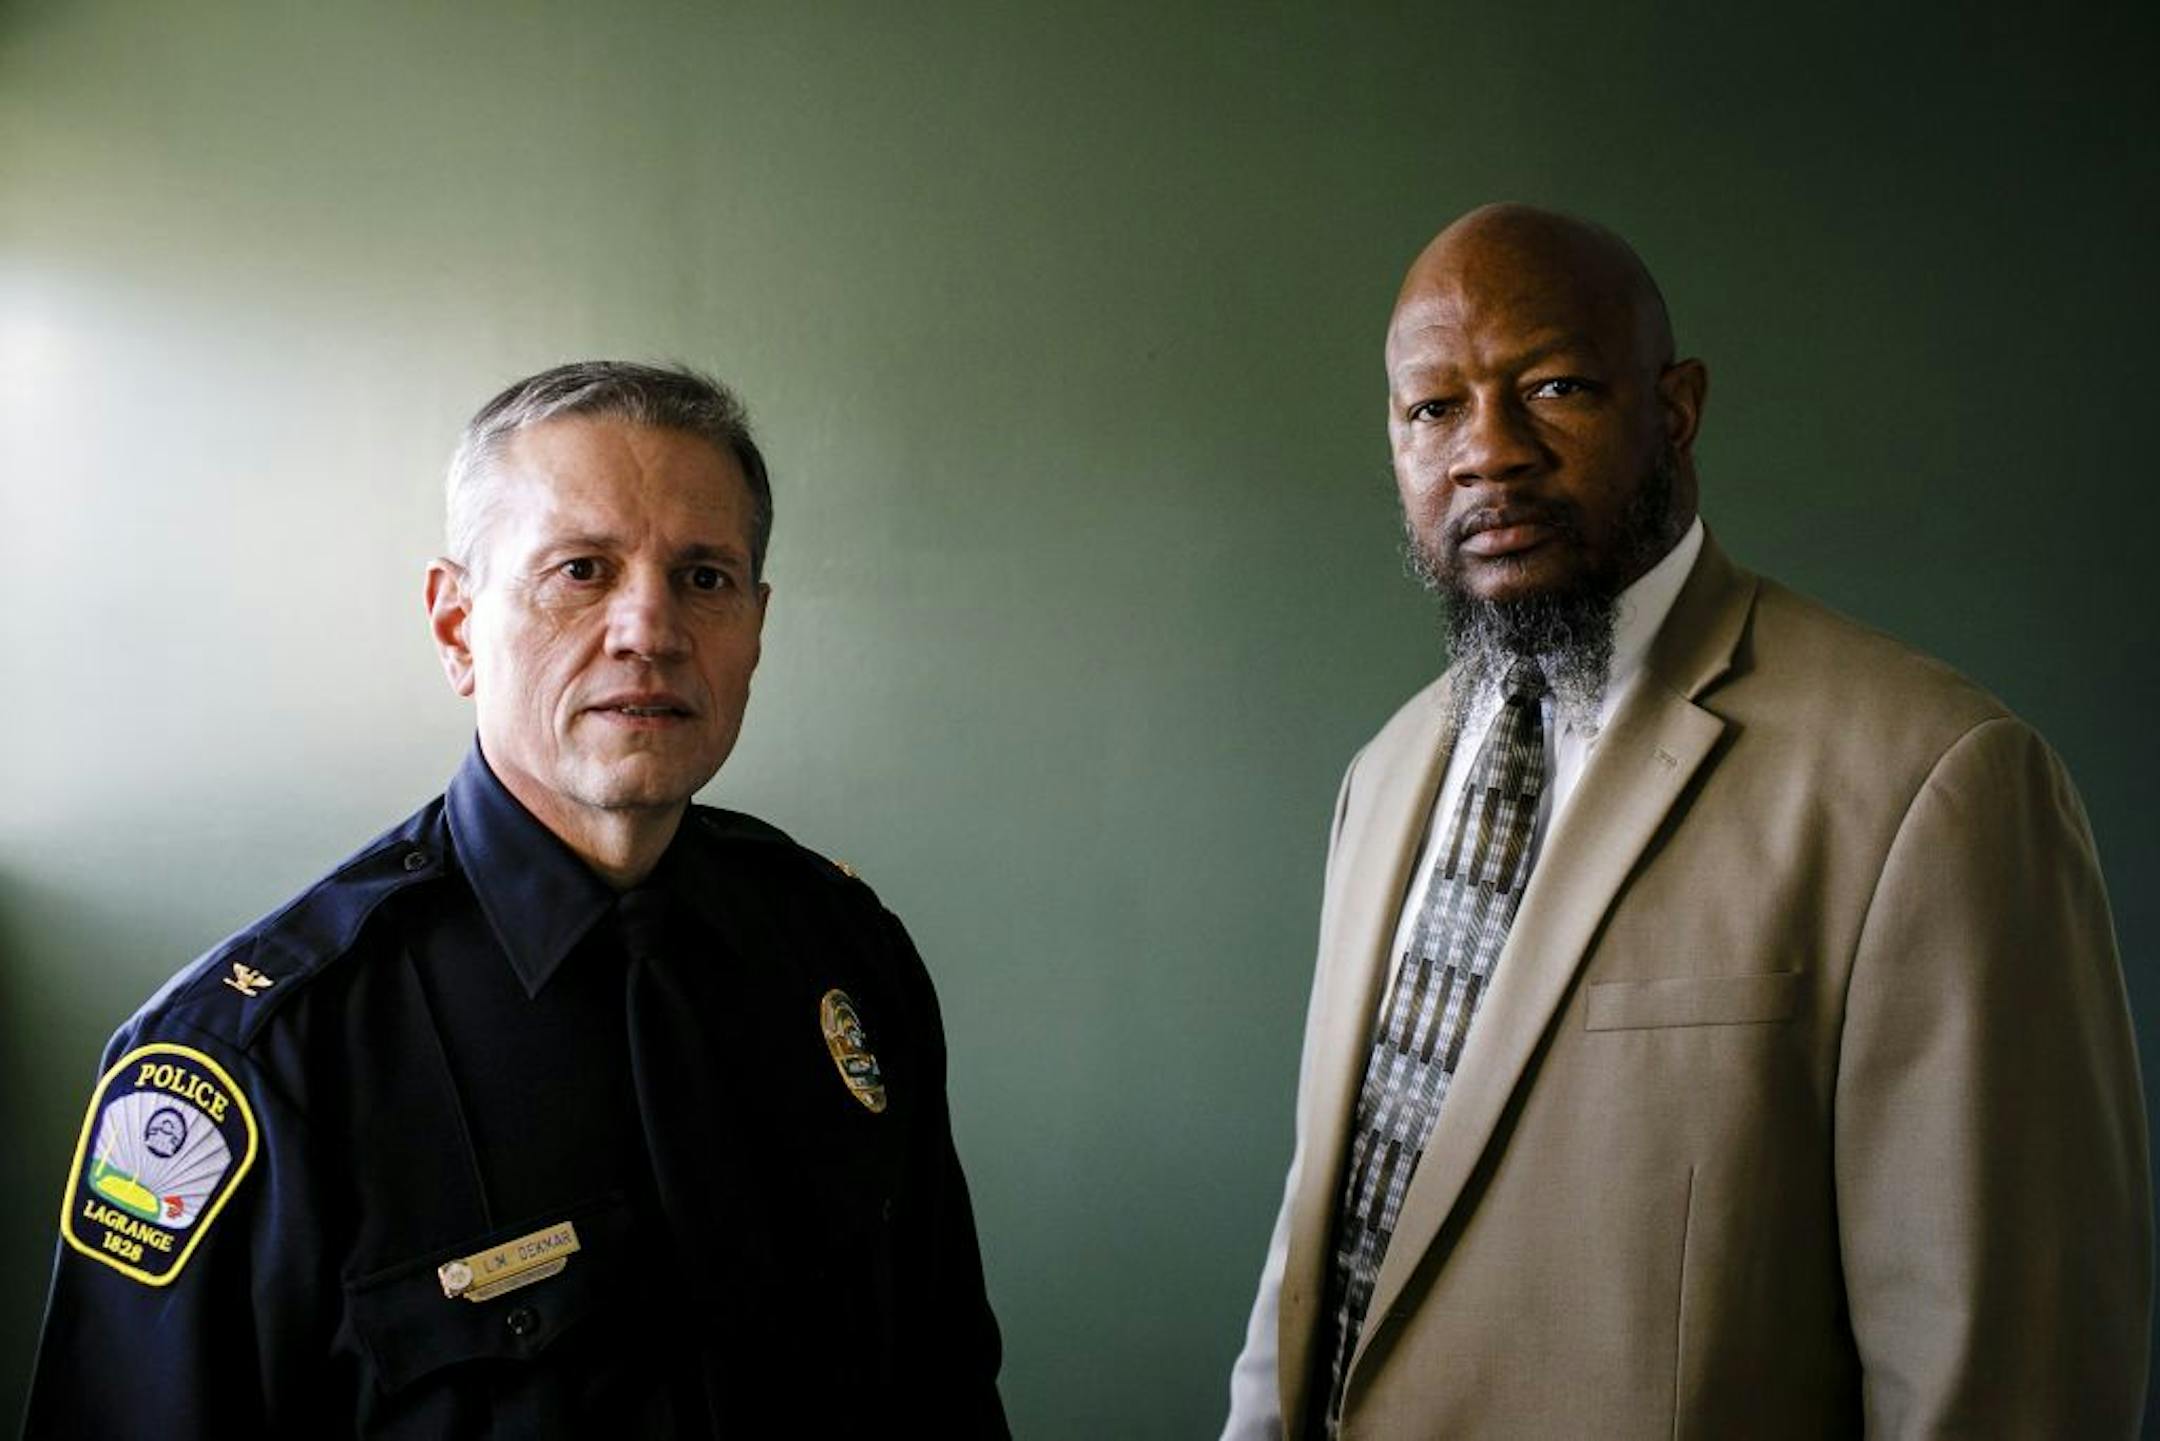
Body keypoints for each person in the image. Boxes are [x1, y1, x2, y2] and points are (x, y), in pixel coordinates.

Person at [1221, 205, 2150, 1438]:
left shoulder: (1938, 782)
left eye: (1550, 386)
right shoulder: (1384, 776)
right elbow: (1319, 1239)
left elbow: (2007, 1387)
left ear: (1679, 407)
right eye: (1433, 408)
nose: (1486, 452)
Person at [24, 361, 1008, 1437]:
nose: (652, 629)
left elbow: (946, 1380)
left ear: (755, 630)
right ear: (456, 625)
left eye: (706, 577)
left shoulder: (843, 953)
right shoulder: (261, 1057)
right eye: (582, 570)